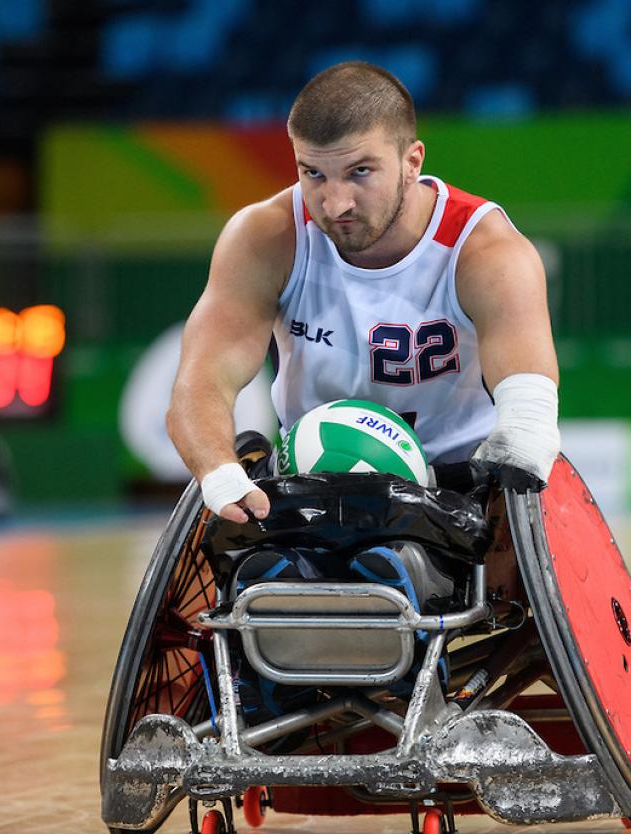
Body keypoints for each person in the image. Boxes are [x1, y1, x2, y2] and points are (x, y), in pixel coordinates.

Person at [166, 62, 559, 523]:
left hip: (452, 489)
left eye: (359, 172)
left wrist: (516, 448)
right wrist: (218, 473)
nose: (335, 203)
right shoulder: (266, 236)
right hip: (308, 482)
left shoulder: (484, 250)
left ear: (412, 161)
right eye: (313, 173)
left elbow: (528, 407)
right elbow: (200, 383)